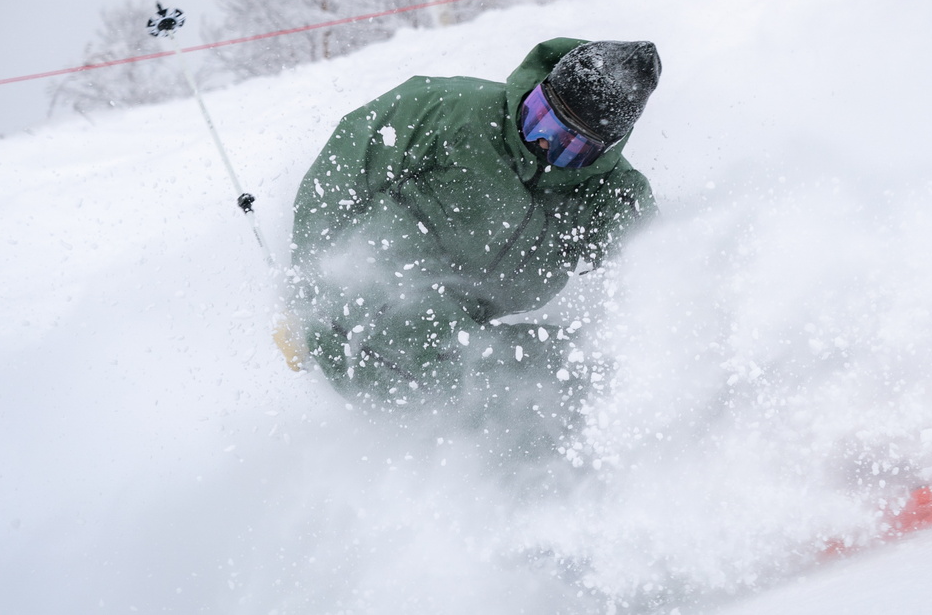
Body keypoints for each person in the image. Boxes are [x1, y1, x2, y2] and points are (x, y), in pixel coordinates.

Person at [282, 37, 661, 439]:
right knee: (475, 375)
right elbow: (338, 177)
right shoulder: (449, 111)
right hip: (372, 306)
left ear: (603, 151)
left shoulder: (609, 197)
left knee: (585, 371)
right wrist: (305, 288)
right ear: (535, 92)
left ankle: (599, 480)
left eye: (571, 145)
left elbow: (653, 287)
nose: (545, 143)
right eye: (539, 119)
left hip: (460, 342)